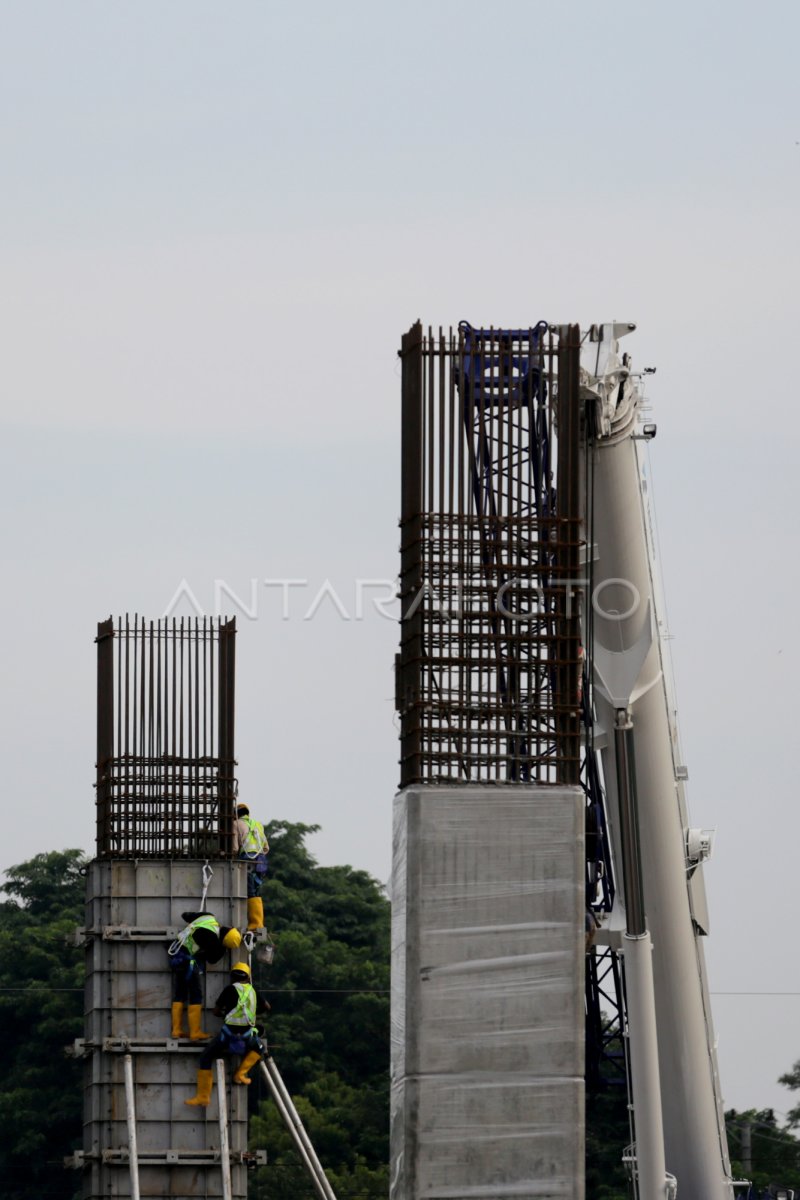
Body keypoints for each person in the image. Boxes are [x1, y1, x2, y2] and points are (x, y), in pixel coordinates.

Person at [185, 960, 269, 1107]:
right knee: (260, 1049)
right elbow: (267, 1006)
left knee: (206, 1057)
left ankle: (203, 1096)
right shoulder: (252, 991)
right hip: (247, 1035)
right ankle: (240, 1074)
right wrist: (253, 1014)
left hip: (227, 1034)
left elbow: (216, 1011)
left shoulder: (229, 989)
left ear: (232, 977)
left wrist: (225, 1014)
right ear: (248, 977)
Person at [169, 911, 242, 1040]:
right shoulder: (213, 939)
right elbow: (212, 959)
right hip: (188, 963)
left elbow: (185, 915)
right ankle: (195, 1032)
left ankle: (176, 1030)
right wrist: (222, 949)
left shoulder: (208, 918)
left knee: (179, 994)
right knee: (195, 995)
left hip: (175, 953)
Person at [235, 803, 269, 931]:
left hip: (246, 860)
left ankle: (254, 925)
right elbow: (266, 847)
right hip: (261, 861)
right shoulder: (258, 824)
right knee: (256, 891)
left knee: (249, 891)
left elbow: (234, 847)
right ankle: (258, 923)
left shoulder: (236, 824)